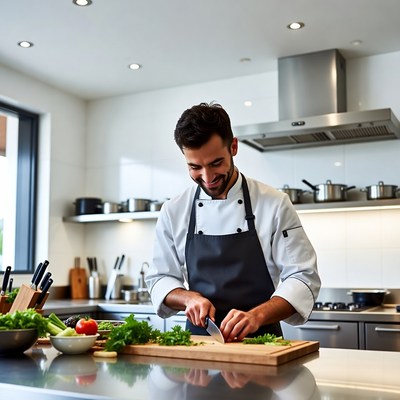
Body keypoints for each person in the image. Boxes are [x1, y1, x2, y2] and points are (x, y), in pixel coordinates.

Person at [145, 102, 320, 342]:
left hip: (261, 344)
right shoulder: (173, 211)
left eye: (216, 163)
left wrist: (256, 316)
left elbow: (302, 276)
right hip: (199, 346)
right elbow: (159, 278)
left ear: (233, 147)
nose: (207, 178)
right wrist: (189, 298)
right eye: (195, 167)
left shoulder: (274, 204)